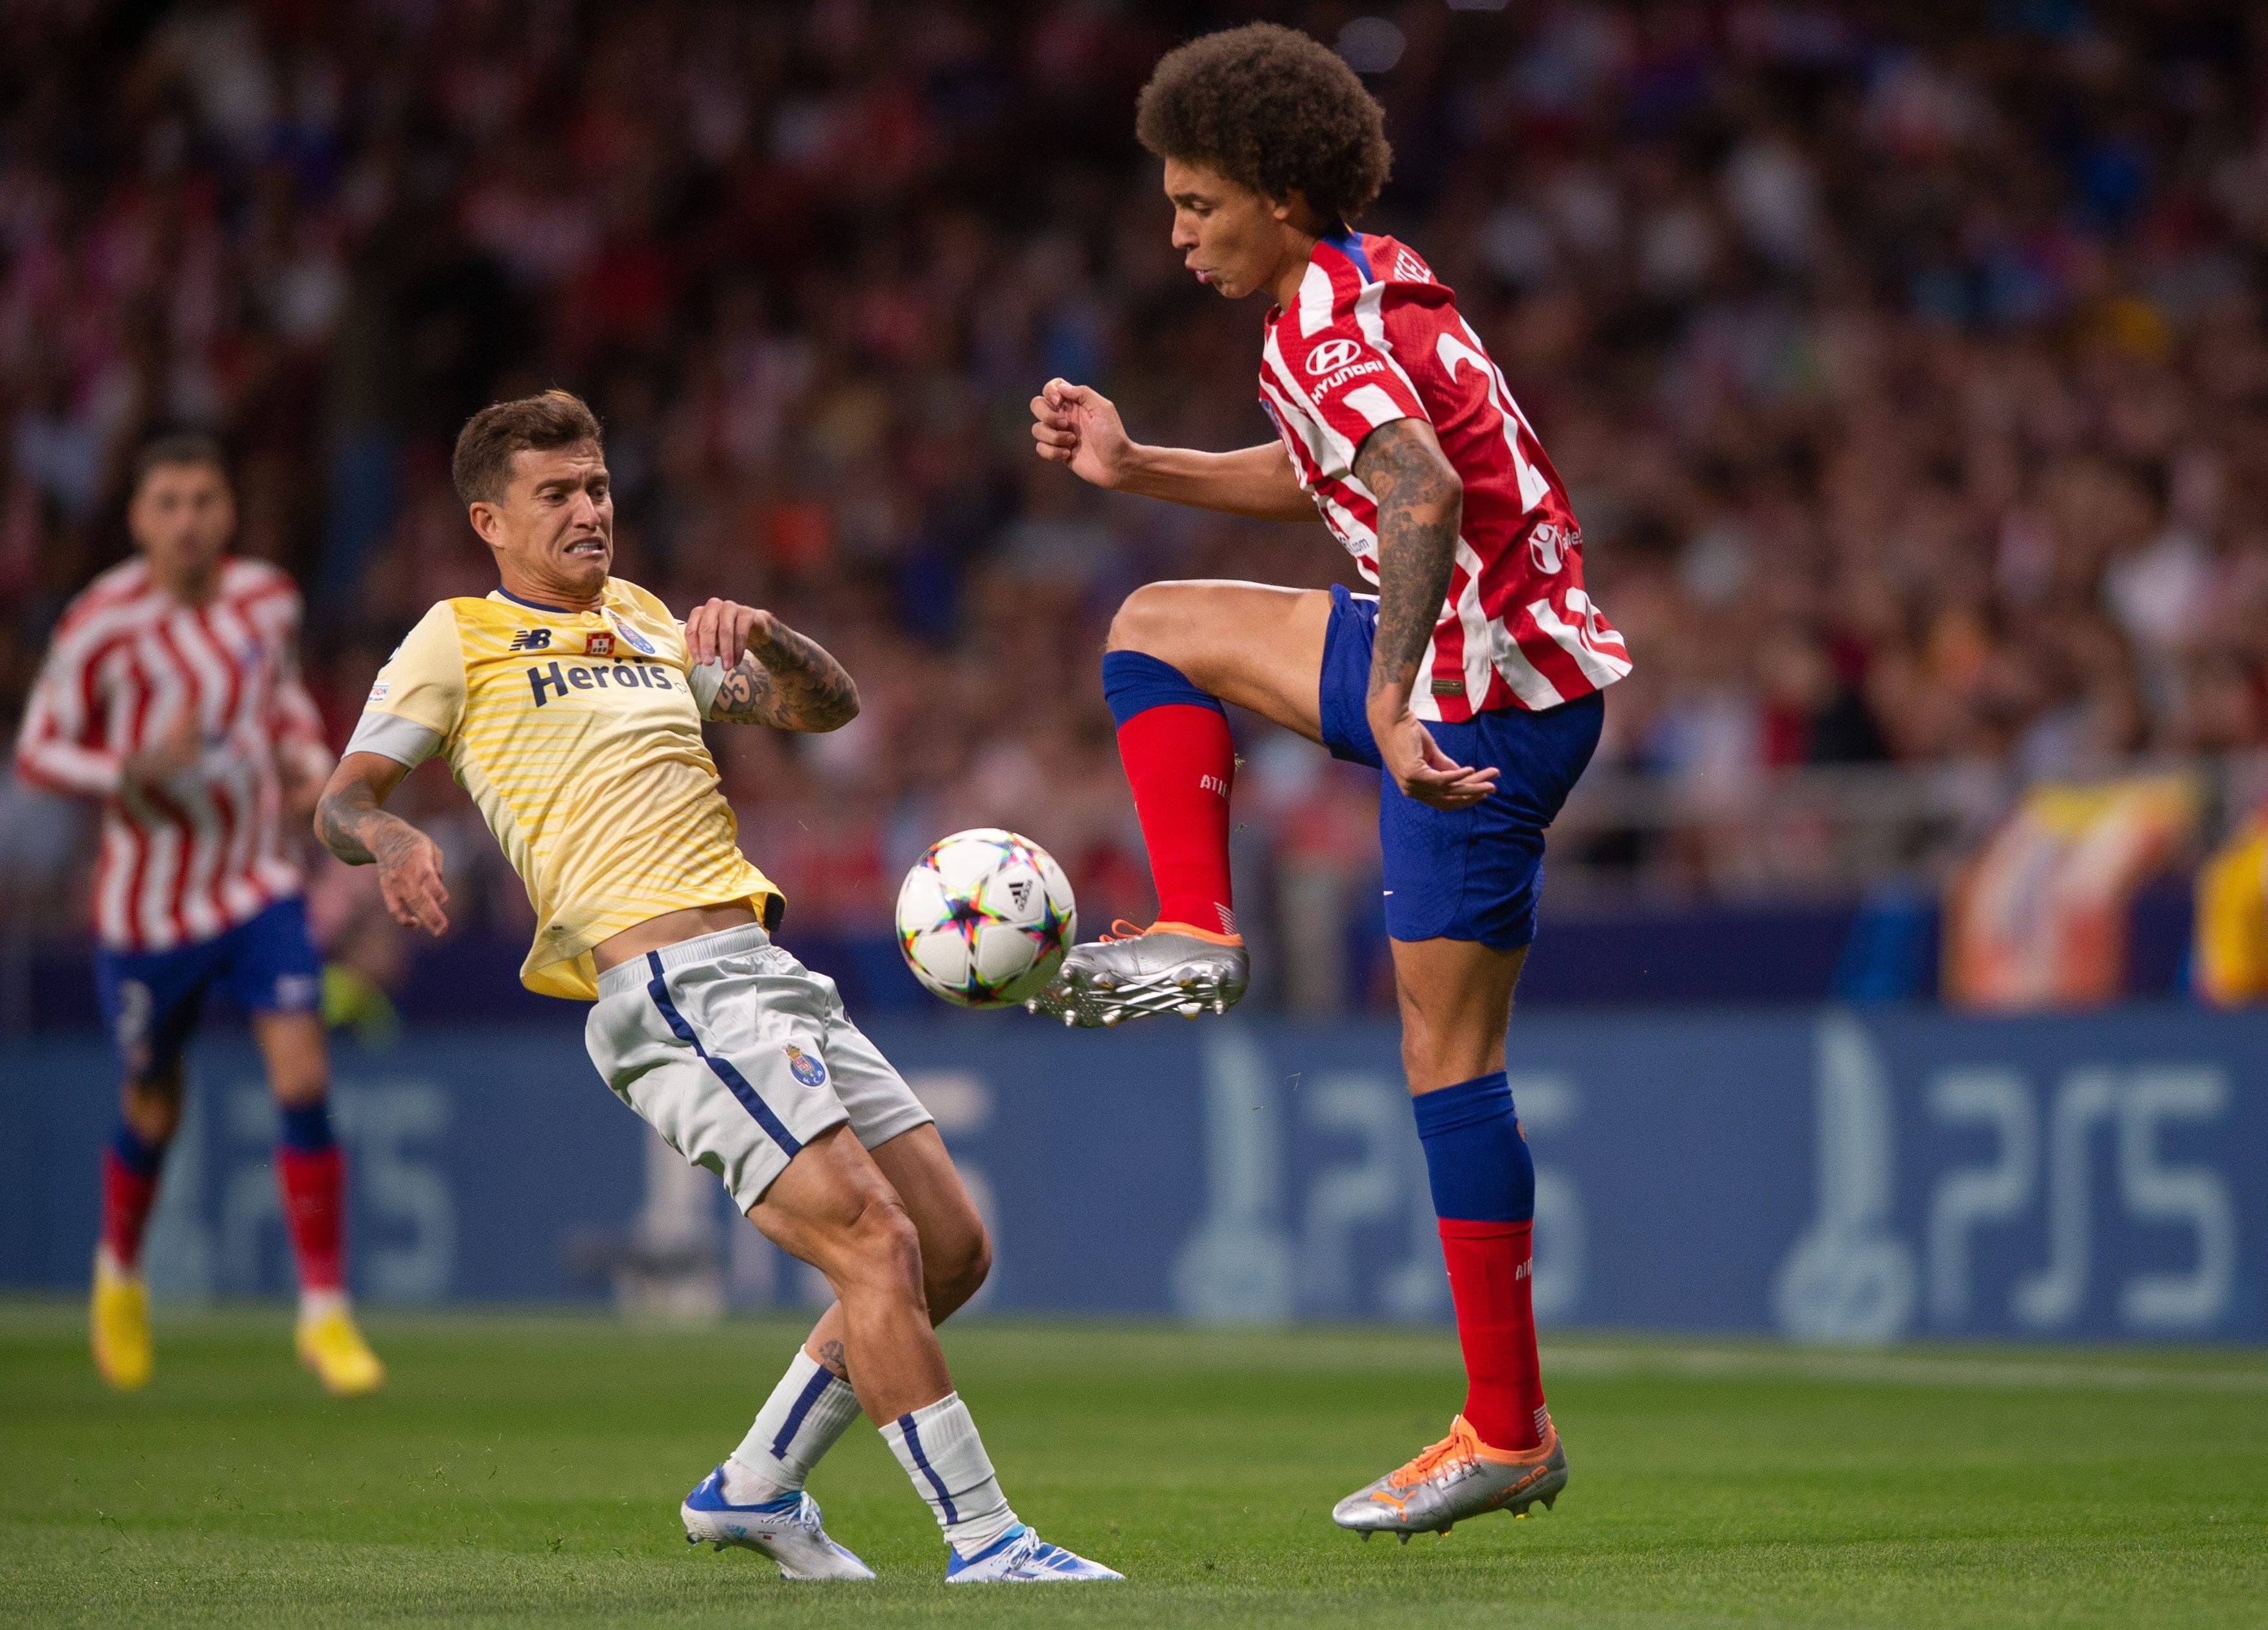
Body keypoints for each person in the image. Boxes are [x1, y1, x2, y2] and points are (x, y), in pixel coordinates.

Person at [312, 389, 1118, 1585]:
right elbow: (343, 798)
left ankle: (751, 1489)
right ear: (490, 519)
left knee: (948, 1250)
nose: (590, 510)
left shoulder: (648, 623)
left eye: (597, 486)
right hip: (667, 987)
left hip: (766, 973)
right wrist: (393, 842)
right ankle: (986, 1541)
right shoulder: (457, 636)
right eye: (557, 494)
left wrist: (772, 643)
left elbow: (825, 707)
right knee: (873, 1241)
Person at [1026, 24, 1630, 1539]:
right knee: (1154, 628)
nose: (1174, 234)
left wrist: (1384, 693)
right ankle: (1201, 928)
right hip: (1496, 669)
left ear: (1282, 194)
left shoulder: (1317, 327)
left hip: (1477, 711)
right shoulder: (1362, 279)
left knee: (1448, 1061)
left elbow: (1412, 488)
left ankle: (1506, 1430)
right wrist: (1137, 464)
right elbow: (1342, 474)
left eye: (1196, 204)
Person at [13, 433, 382, 1396]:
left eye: (204, 500)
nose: (188, 520)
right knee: (154, 1103)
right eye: (168, 503)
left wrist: (308, 758)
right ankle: (119, 1280)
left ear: (228, 511)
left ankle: (325, 1317)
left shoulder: (267, 598)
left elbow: (284, 702)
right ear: (139, 519)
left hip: (257, 880)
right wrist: (127, 771)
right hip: (148, 907)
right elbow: (39, 752)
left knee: (303, 1077)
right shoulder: (102, 622)